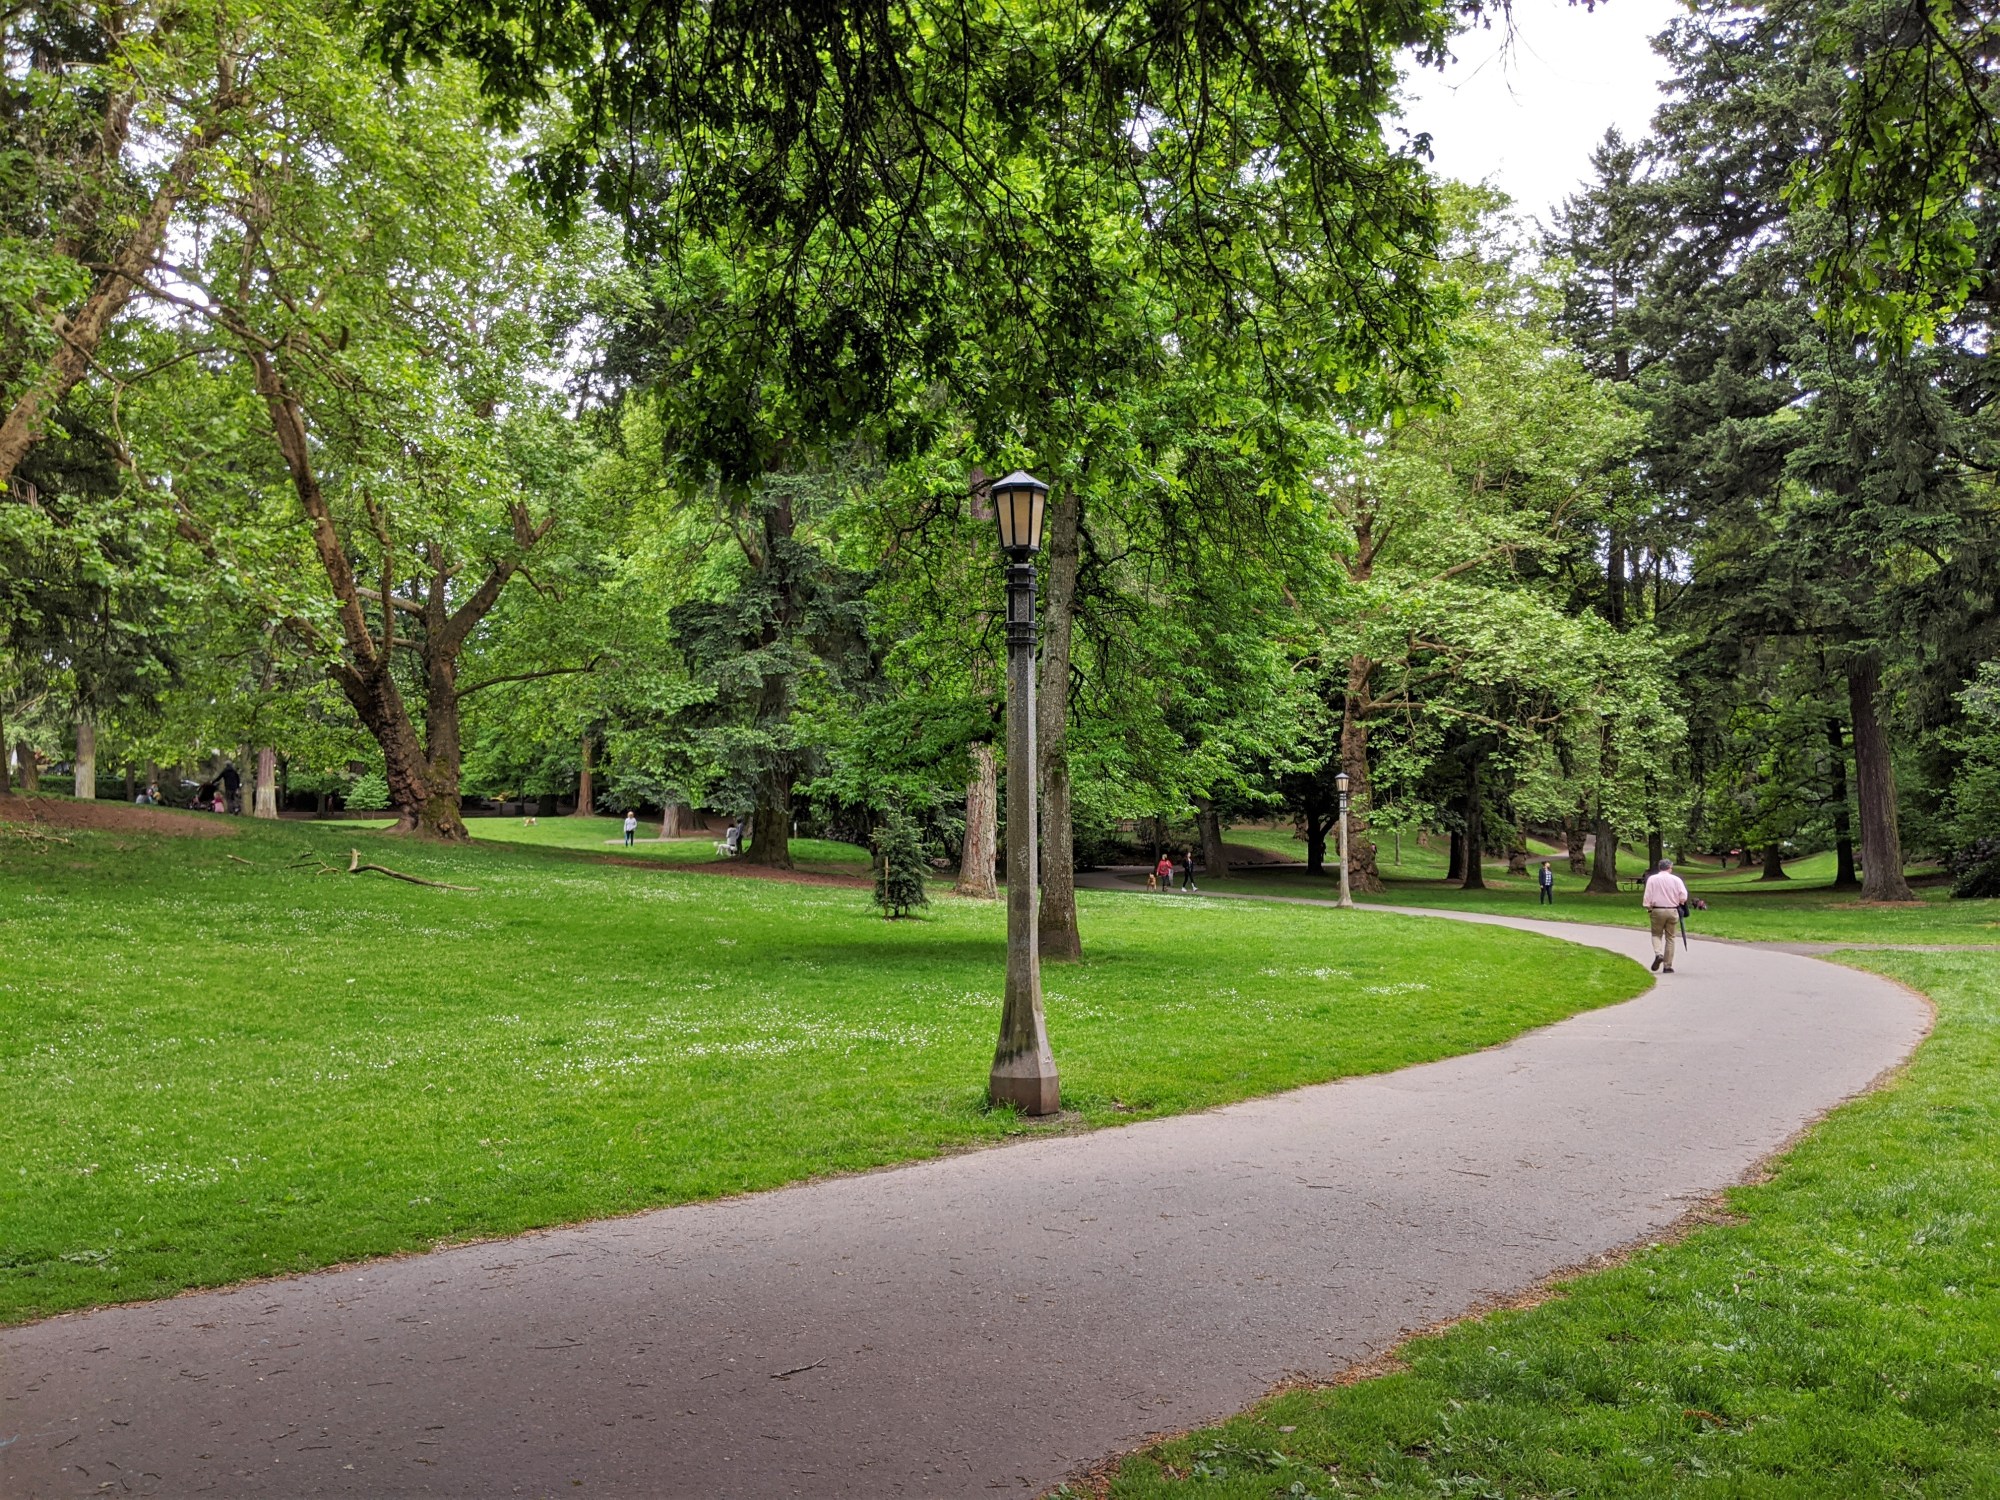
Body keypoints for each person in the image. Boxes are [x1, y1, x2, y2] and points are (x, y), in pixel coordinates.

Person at [1641, 857, 1690, 973]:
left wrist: (1648, 907)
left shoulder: (1652, 879)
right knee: (1671, 938)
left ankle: (1658, 954)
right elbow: (1683, 896)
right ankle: (1668, 966)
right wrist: (1679, 902)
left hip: (1657, 910)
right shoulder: (1676, 880)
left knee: (1656, 934)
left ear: (1659, 867)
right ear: (1670, 868)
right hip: (1672, 910)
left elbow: (1647, 895)